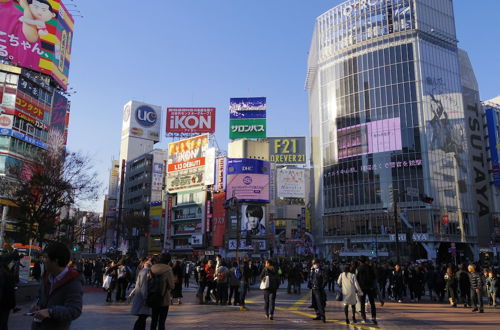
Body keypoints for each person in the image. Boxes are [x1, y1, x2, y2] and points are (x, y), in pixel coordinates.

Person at [30, 242, 83, 330]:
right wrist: (36, 305)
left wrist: (50, 312)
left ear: (56, 260)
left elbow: (74, 310)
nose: (43, 260)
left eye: (46, 257)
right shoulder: (46, 276)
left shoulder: (72, 281)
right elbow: (39, 297)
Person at [150, 253, 175, 330]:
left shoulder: (152, 268)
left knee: (153, 320)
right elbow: (172, 285)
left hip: (153, 297)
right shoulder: (168, 269)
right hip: (164, 298)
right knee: (161, 321)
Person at [130, 258, 152, 330]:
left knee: (143, 317)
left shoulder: (144, 271)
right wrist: (145, 298)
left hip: (141, 297)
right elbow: (144, 286)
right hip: (142, 298)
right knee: (142, 317)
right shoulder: (145, 272)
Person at [356, 256, 377, 324]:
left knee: (362, 303)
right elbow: (374, 277)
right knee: (372, 303)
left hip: (362, 288)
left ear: (360, 261)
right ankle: (373, 317)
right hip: (370, 287)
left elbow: (356, 279)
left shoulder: (358, 269)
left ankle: (363, 317)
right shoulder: (370, 267)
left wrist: (357, 288)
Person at [0, 252, 17, 329]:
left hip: (6, 303)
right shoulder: (4, 273)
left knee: (3, 323)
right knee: (3, 323)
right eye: (12, 262)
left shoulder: (8, 272)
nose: (13, 264)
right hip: (4, 303)